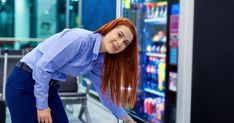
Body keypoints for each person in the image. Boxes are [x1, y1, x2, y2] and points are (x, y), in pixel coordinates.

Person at [6, 18, 138, 123]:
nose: (120, 43)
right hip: (24, 82)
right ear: (109, 29)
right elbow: (43, 67)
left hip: (47, 86)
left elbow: (104, 93)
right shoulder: (80, 39)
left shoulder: (99, 59)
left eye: (125, 43)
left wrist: (126, 118)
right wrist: (42, 106)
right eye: (119, 35)